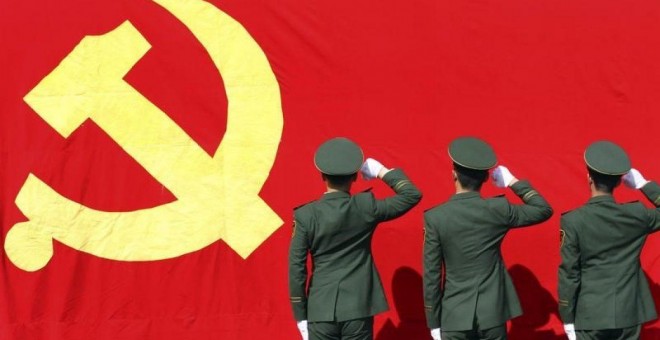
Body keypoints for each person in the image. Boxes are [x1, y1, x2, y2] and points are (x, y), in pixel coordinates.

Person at [289, 137, 422, 340]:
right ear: (355, 177)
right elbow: (411, 194)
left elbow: (297, 267)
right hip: (358, 307)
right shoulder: (364, 207)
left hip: (321, 309)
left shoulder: (306, 215)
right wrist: (381, 171)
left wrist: (300, 315)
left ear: (322, 176)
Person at [423, 136, 553, 340]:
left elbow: (432, 274)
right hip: (491, 314)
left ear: (453, 175)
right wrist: (512, 181)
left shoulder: (436, 217)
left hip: (454, 316)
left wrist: (433, 321)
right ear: (486, 179)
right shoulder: (498, 210)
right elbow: (543, 209)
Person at [558, 141, 660, 340]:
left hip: (590, 316)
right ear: (621, 182)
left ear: (589, 178)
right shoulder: (636, 215)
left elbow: (569, 272)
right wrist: (644, 184)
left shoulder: (574, 220)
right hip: (628, 313)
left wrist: (567, 317)